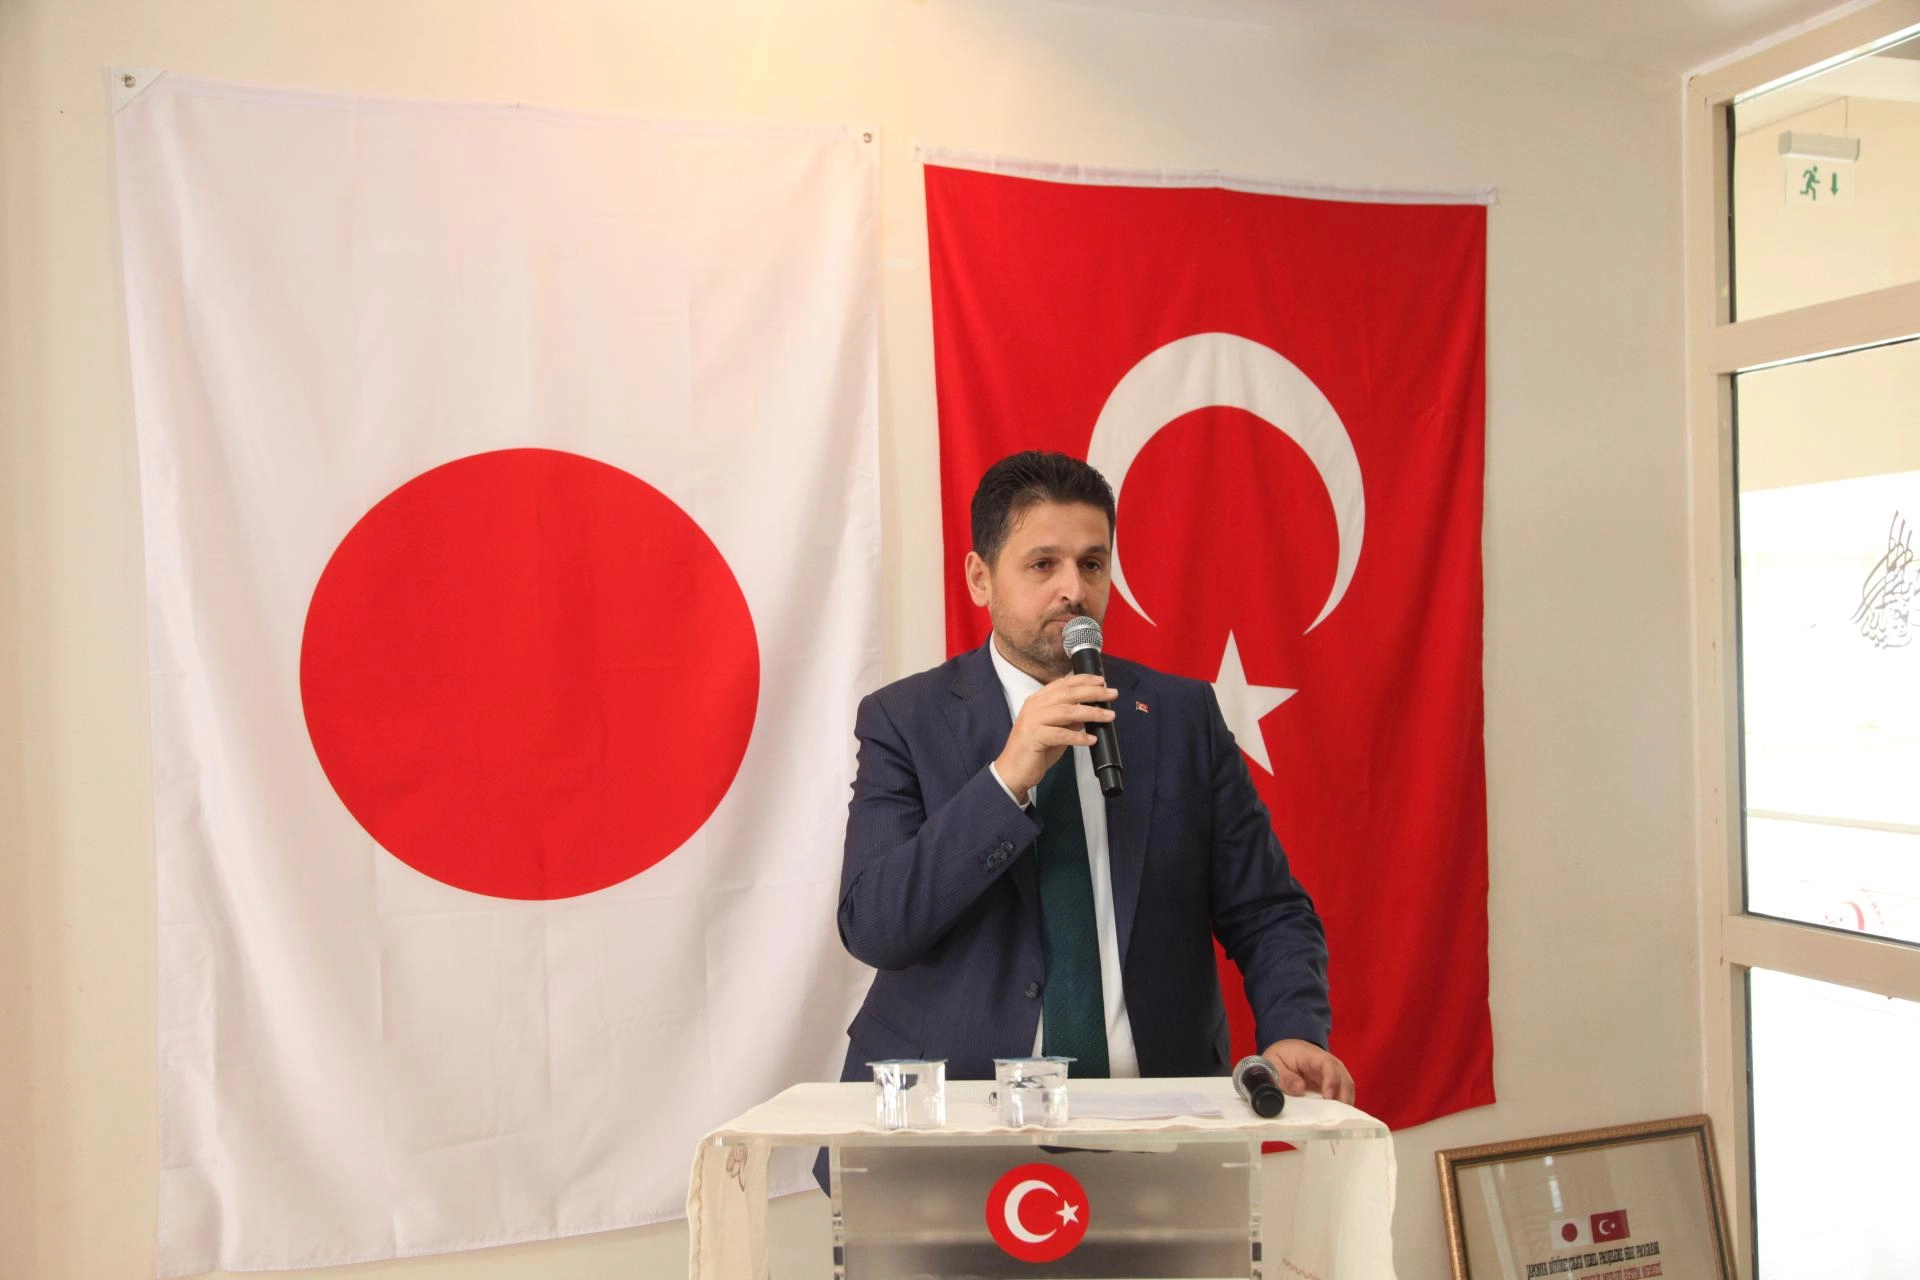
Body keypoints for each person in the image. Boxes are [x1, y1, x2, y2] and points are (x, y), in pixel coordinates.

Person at [830, 450, 1351, 1110]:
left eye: (1092, 564)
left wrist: (1294, 1027)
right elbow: (875, 926)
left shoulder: (1181, 716)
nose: (1073, 590)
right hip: (951, 1106)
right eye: (1043, 564)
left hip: (1155, 1111)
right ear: (980, 578)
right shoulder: (903, 719)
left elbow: (1268, 909)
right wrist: (1005, 782)